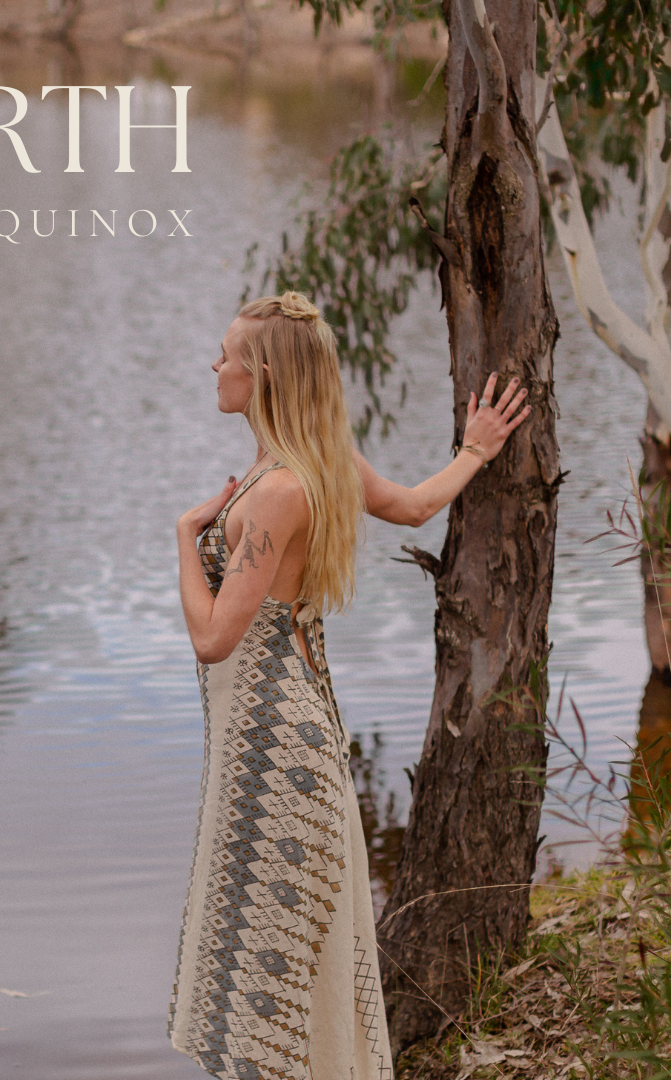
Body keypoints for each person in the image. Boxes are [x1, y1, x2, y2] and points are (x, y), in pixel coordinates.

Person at [167, 291, 530, 1080]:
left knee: (270, 960)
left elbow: (214, 638)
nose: (214, 364)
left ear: (263, 373)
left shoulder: (278, 490)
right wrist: (472, 452)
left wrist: (185, 541)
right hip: (272, 735)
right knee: (272, 952)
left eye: (227, 354)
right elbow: (412, 506)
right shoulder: (314, 460)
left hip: (273, 749)